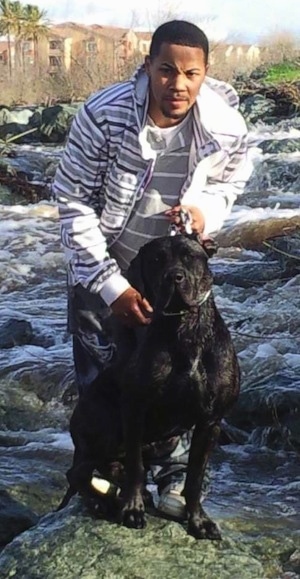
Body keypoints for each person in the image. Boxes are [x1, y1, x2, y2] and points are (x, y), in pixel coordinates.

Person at [54, 19, 252, 519]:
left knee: (187, 377)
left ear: (206, 73)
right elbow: (72, 201)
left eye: (191, 73)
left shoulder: (226, 123)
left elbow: (233, 179)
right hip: (109, 256)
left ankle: (165, 482)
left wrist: (206, 209)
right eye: (166, 70)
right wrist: (110, 285)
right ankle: (101, 476)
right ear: (148, 66)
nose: (178, 84)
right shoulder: (103, 116)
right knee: (106, 380)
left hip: (175, 271)